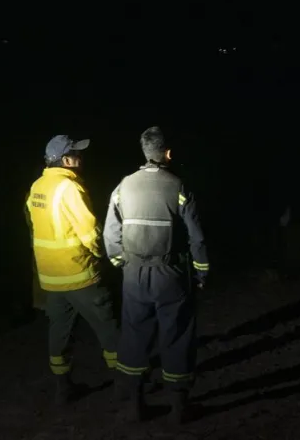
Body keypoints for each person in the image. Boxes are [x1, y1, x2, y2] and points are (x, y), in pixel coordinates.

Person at [104, 126, 209, 424]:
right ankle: (178, 407)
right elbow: (196, 237)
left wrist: (121, 263)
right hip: (171, 275)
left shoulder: (123, 186)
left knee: (135, 336)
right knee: (176, 335)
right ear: (168, 153)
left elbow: (111, 232)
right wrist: (201, 271)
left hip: (134, 274)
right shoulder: (178, 186)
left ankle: (134, 406)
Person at [25, 134, 119, 404]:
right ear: (65, 160)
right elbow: (89, 230)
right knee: (108, 326)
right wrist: (103, 256)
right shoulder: (69, 188)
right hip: (79, 274)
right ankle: (126, 383)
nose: (81, 158)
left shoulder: (36, 187)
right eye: (76, 154)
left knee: (59, 331)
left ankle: (62, 388)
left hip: (50, 278)